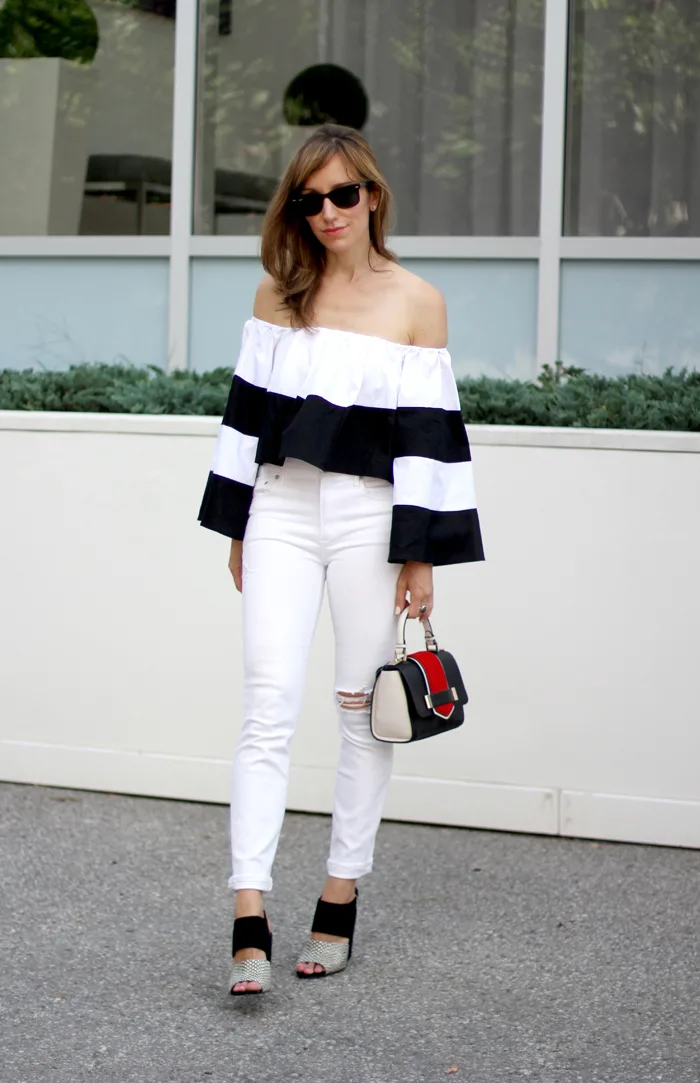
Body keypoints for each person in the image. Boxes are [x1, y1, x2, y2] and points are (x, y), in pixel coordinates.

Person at [198, 124, 484, 995]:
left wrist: (422, 555)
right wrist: (242, 522)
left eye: (342, 195)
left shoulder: (416, 301)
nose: (327, 213)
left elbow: (430, 438)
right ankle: (250, 908)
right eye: (309, 199)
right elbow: (246, 420)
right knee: (267, 701)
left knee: (362, 709)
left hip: (370, 514)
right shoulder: (276, 296)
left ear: (373, 195)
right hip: (281, 505)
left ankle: (339, 892)